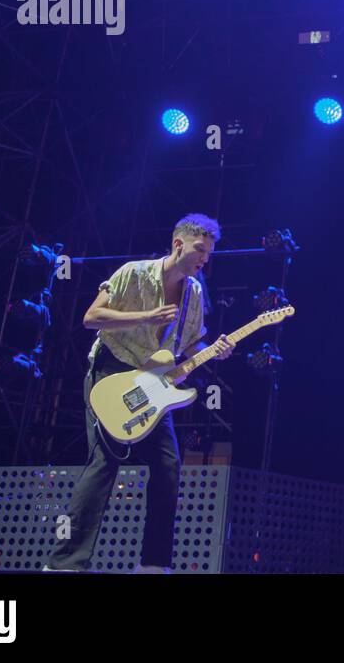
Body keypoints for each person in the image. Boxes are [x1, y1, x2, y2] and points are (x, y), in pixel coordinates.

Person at [44, 214, 232, 573]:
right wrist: (144, 317)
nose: (205, 258)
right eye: (200, 249)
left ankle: (153, 566)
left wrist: (215, 349)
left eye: (209, 252)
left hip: (152, 384)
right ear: (179, 245)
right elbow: (91, 317)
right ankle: (64, 565)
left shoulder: (194, 292)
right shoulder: (134, 272)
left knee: (167, 467)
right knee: (104, 463)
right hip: (111, 371)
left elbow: (191, 343)